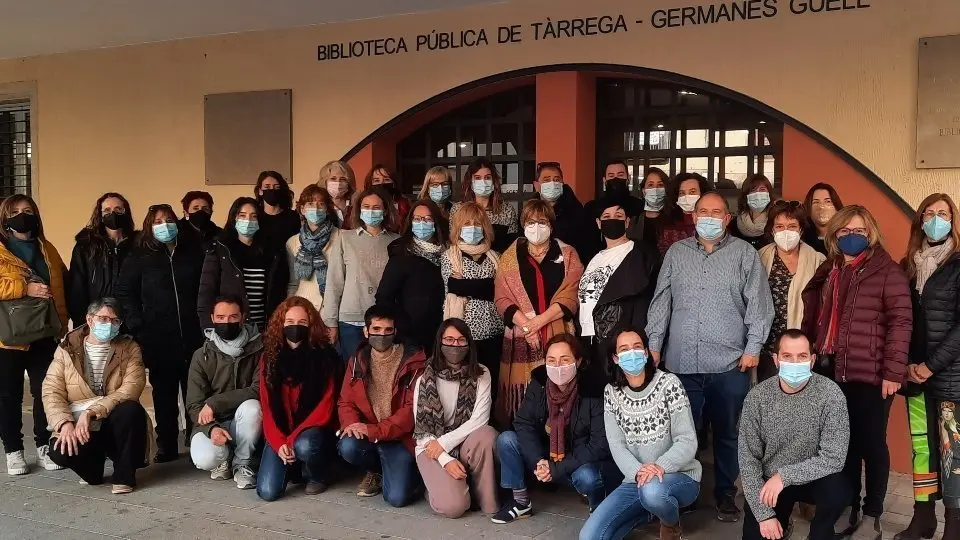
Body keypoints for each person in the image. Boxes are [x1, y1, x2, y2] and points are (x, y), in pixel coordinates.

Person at [646, 191, 774, 522]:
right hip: (681, 362)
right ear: (693, 215)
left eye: (717, 212)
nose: (709, 218)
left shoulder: (745, 254)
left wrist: (753, 347)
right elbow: (662, 300)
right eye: (703, 211)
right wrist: (654, 343)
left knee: (729, 433)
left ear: (727, 219)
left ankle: (726, 495)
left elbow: (759, 305)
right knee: (682, 433)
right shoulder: (676, 252)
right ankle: (683, 492)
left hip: (730, 364)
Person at [801, 204, 912, 538]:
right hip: (834, 369)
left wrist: (893, 372)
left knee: (872, 445)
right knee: (842, 443)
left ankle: (872, 514)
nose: (852, 237)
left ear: (871, 233)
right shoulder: (832, 269)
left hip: (872, 374)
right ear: (834, 235)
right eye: (844, 231)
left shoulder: (886, 271)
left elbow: (901, 322)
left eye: (859, 231)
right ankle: (848, 505)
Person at [579, 328, 700, 540]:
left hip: (678, 476)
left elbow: (687, 440)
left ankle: (670, 523)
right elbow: (617, 445)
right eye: (624, 350)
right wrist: (637, 472)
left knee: (653, 492)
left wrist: (659, 466)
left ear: (646, 353)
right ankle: (648, 513)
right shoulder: (612, 393)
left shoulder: (668, 384)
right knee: (589, 536)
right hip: (636, 480)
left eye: (637, 347)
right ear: (615, 358)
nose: (631, 353)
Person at [493, 334, 619, 524]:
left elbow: (599, 444)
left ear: (578, 361)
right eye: (551, 361)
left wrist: (557, 468)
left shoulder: (593, 388)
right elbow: (524, 422)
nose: (558, 367)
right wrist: (538, 460)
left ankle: (598, 510)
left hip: (578, 460)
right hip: (547, 455)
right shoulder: (539, 382)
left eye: (565, 360)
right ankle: (521, 502)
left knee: (588, 476)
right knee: (507, 440)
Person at [739, 329, 851, 540]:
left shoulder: (830, 394)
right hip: (770, 481)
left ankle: (821, 534)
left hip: (814, 478)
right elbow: (748, 460)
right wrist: (764, 516)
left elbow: (834, 458)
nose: (795, 362)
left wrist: (785, 476)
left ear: (812, 360)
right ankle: (781, 522)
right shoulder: (757, 398)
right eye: (787, 356)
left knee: (838, 491)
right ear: (776, 359)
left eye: (802, 356)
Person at [116, 203, 205, 462]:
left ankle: (196, 436)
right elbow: (125, 293)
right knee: (163, 394)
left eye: (168, 219)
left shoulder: (192, 251)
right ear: (148, 226)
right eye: (157, 221)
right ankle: (167, 443)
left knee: (195, 390)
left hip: (193, 336)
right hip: (158, 338)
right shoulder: (139, 257)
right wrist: (137, 324)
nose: (164, 225)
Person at [896, 194, 960, 540]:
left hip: (949, 376)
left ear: (953, 220)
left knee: (952, 450)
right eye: (929, 213)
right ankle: (923, 517)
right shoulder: (907, 264)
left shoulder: (958, 263)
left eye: (943, 214)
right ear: (919, 220)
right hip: (914, 377)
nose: (936, 219)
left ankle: (954, 524)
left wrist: (930, 366)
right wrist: (906, 365)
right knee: (922, 448)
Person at [43, 298, 153, 494]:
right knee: (59, 450)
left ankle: (124, 475)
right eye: (103, 318)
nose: (109, 324)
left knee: (130, 409)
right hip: (79, 424)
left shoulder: (129, 348)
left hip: (111, 418)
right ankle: (91, 471)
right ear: (90, 319)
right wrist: (64, 423)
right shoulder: (67, 348)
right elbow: (52, 389)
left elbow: (131, 388)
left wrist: (92, 412)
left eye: (115, 321)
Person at [494, 199, 583, 427]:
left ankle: (558, 433)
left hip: (558, 332)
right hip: (520, 336)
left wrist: (537, 324)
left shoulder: (568, 254)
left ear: (551, 226)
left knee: (561, 386)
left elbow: (571, 294)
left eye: (542, 221)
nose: (536, 227)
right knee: (525, 396)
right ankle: (524, 431)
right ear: (523, 225)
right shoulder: (510, 256)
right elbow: (502, 298)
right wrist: (526, 326)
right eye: (531, 222)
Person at [0, 194, 69, 475]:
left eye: (27, 210)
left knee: (46, 391)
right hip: (8, 336)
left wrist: (63, 324)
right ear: (5, 218)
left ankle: (44, 446)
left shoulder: (46, 248)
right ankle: (13, 451)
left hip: (44, 332)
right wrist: (23, 288)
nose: (22, 215)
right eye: (15, 211)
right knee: (8, 394)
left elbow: (60, 284)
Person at [337, 305, 426, 505]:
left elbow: (411, 411)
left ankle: (410, 473)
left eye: (387, 330)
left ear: (395, 332)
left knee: (397, 498)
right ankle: (376, 471)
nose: (382, 335)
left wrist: (374, 430)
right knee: (348, 445)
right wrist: (352, 425)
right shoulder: (357, 360)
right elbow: (346, 401)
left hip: (401, 438)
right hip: (372, 435)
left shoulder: (413, 362)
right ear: (366, 331)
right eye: (376, 329)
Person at [257, 297, 341, 501]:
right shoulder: (269, 358)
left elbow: (326, 406)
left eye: (302, 323)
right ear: (281, 324)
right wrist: (279, 443)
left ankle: (317, 475)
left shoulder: (326, 357)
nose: (296, 327)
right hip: (280, 433)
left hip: (310, 433)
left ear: (311, 325)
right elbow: (267, 407)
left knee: (305, 446)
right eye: (290, 322)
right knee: (267, 492)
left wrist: (292, 440)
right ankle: (293, 467)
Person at [414, 318, 498, 518]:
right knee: (454, 508)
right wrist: (444, 459)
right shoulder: (424, 379)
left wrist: (444, 442)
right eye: (449, 340)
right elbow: (422, 432)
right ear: (440, 342)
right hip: (430, 448)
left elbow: (480, 419)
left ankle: (486, 500)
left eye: (461, 340)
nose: (455, 345)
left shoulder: (481, 373)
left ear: (469, 344)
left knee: (487, 435)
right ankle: (436, 490)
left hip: (459, 442)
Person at [578, 190, 659, 379]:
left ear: (627, 221)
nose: (612, 220)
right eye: (606, 216)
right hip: (589, 342)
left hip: (620, 344)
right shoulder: (593, 258)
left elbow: (647, 301)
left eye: (618, 216)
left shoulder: (642, 255)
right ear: (598, 223)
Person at [186, 296, 263, 490]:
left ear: (243, 317)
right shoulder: (201, 355)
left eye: (233, 317)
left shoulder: (260, 348)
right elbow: (194, 405)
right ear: (212, 318)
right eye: (220, 317)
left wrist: (214, 403)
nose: (226, 323)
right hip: (213, 422)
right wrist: (211, 428)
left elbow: (257, 390)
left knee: (253, 407)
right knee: (205, 459)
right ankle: (224, 460)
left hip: (245, 421)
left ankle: (243, 463)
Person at [322, 187, 400, 363]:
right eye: (366, 206)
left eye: (376, 207)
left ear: (386, 210)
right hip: (351, 320)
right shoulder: (345, 238)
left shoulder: (397, 241)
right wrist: (331, 322)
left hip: (384, 322)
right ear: (359, 209)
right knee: (353, 374)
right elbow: (334, 283)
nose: (371, 211)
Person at [756, 201, 826, 381]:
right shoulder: (758, 258)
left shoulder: (818, 261)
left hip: (803, 349)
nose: (785, 231)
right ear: (772, 230)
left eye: (792, 226)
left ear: (801, 230)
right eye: (779, 226)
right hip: (768, 348)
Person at [197, 197, 288, 331]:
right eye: (242, 216)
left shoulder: (271, 252)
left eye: (253, 216)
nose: (248, 221)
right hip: (231, 329)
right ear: (234, 218)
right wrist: (209, 330)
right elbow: (206, 294)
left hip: (264, 329)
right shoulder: (220, 249)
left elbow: (279, 292)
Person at [440, 202, 503, 388]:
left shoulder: (496, 257)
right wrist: (484, 286)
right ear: (458, 228)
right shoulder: (449, 256)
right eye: (467, 224)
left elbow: (497, 290)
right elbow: (451, 287)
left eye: (477, 224)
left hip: (493, 332)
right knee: (464, 385)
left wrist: (464, 285)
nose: (472, 229)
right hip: (463, 334)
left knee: (490, 384)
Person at [375, 200, 449, 355]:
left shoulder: (449, 253)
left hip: (443, 332)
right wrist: (402, 326)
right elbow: (384, 296)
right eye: (417, 219)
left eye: (428, 219)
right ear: (410, 222)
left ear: (436, 222)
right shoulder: (402, 253)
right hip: (411, 336)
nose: (422, 223)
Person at [68, 193, 136, 329]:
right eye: (107, 210)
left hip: (130, 323)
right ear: (100, 214)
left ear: (126, 212)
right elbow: (76, 288)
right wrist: (82, 325)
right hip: (96, 324)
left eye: (118, 209)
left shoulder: (137, 244)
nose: (113, 213)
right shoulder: (86, 246)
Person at [532, 161, 601, 263]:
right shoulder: (530, 212)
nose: (552, 183)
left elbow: (587, 249)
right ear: (537, 185)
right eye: (546, 180)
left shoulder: (577, 213)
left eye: (557, 180)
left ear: (562, 183)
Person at [286, 184, 339, 312]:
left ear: (327, 209)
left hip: (332, 305)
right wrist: (289, 308)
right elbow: (294, 282)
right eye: (310, 204)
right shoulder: (292, 242)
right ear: (302, 209)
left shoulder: (341, 237)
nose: (315, 209)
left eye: (321, 204)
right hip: (303, 306)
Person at [451, 158, 519, 253]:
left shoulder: (507, 210)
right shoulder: (458, 209)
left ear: (494, 181)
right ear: (470, 181)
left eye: (487, 177)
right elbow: (453, 240)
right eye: (477, 178)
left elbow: (512, 245)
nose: (483, 182)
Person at [584, 160, 644, 244]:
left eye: (620, 175)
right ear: (605, 180)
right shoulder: (592, 207)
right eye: (611, 176)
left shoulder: (639, 206)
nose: (616, 179)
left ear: (628, 178)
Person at [656, 172, 712, 255]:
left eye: (692, 192)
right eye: (682, 193)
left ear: (703, 194)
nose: (687, 197)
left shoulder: (713, 223)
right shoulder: (667, 227)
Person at [254, 170, 300, 251]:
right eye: (267, 187)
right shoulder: (254, 217)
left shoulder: (293, 217)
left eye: (276, 187)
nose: (272, 190)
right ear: (260, 191)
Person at [730, 174, 774, 250]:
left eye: (762, 189)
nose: (758, 194)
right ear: (746, 195)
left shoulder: (776, 221)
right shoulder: (734, 224)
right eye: (753, 190)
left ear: (769, 193)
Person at [802, 183, 844, 255]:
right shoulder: (802, 239)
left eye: (828, 201)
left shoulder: (846, 236)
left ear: (837, 207)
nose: (822, 206)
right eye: (816, 202)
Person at [367, 164, 412, 228]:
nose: (382, 183)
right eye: (377, 180)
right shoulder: (364, 203)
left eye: (386, 179)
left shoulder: (403, 204)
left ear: (394, 182)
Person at [319, 160, 357, 225]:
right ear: (324, 182)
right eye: (333, 178)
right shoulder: (319, 205)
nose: (338, 183)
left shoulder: (356, 203)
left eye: (343, 179)